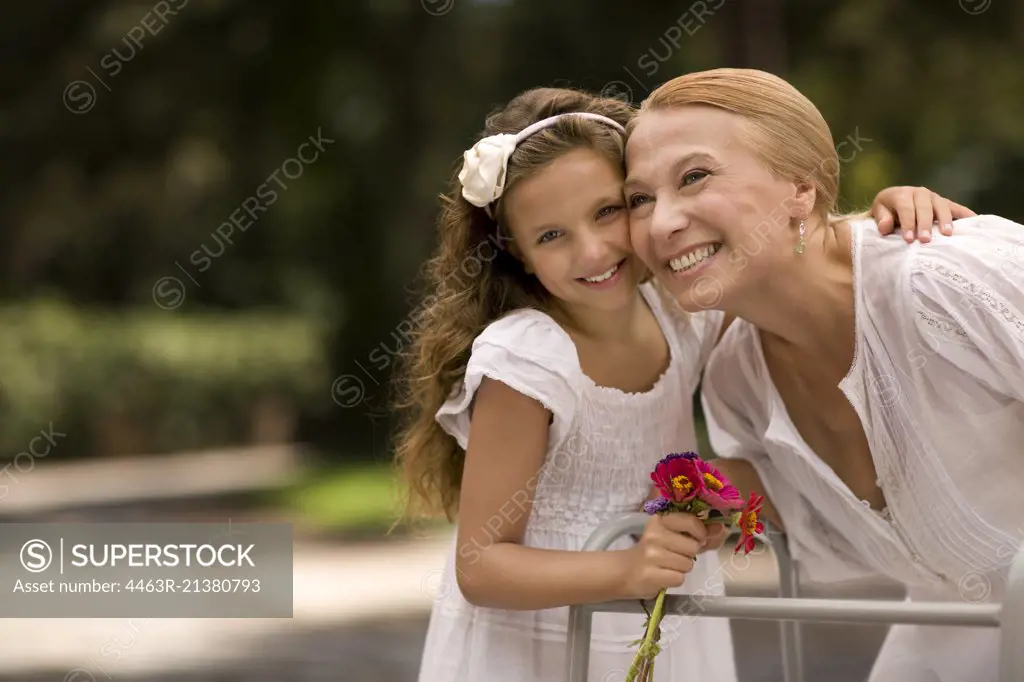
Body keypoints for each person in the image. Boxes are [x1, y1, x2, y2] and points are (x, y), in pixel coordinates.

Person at [392, 85, 970, 682]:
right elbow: (482, 567)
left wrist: (884, 217)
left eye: (607, 211)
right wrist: (626, 570)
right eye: (551, 235)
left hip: (665, 615)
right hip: (543, 640)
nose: (593, 251)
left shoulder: (679, 310)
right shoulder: (527, 361)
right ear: (516, 253)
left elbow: (781, 262)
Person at [624, 67, 1023, 682]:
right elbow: (786, 499)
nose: (659, 224)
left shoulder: (941, 279)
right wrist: (680, 497)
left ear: (801, 190)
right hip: (961, 638)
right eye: (639, 199)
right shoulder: (736, 380)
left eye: (695, 176)